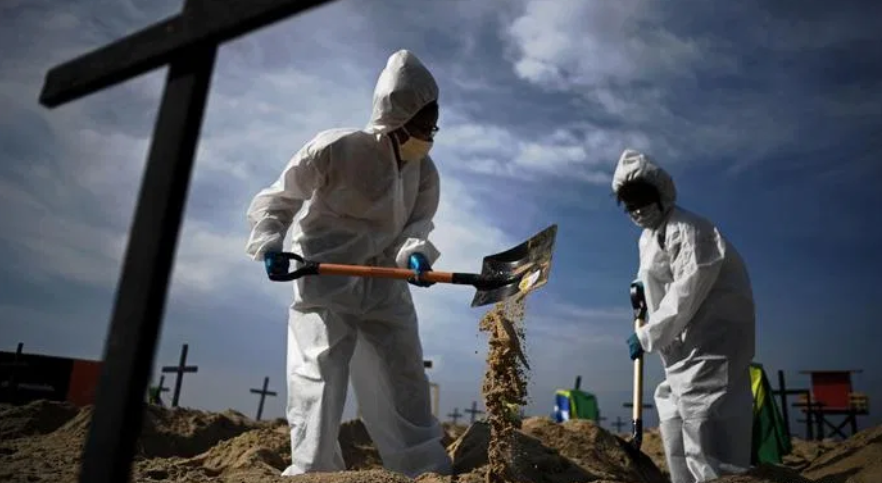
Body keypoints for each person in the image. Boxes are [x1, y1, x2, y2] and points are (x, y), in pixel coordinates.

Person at [244, 49, 452, 477]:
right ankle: (314, 470)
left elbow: (417, 227)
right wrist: (269, 245)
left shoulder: (424, 172)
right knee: (320, 376)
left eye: (432, 126)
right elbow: (281, 199)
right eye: (421, 124)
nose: (428, 134)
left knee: (405, 376)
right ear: (397, 115)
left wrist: (415, 253)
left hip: (384, 284)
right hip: (325, 278)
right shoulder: (336, 147)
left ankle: (423, 470)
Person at [611, 149, 756, 483]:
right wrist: (639, 288)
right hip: (681, 343)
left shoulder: (689, 230)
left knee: (702, 413)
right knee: (672, 407)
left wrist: (647, 334)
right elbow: (652, 275)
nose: (637, 210)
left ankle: (718, 478)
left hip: (711, 339)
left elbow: (686, 293)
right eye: (629, 204)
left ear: (661, 193)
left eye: (642, 200)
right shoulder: (648, 238)